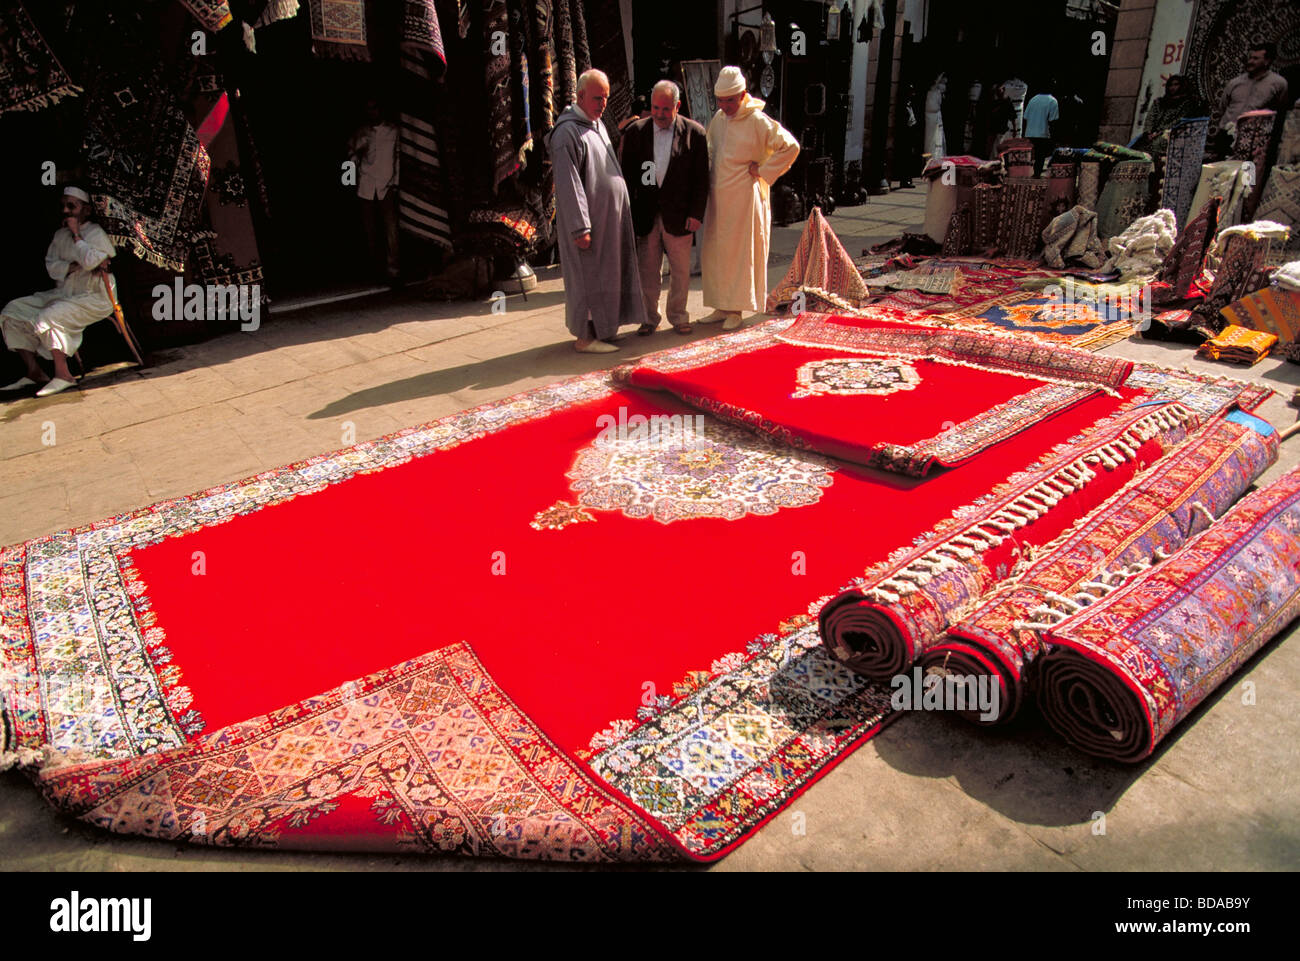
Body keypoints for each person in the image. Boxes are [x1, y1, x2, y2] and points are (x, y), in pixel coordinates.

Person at [546, 68, 646, 352]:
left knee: (607, 276)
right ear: (579, 97)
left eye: (605, 98)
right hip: (589, 225)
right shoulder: (567, 133)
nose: (602, 104)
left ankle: (603, 329)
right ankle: (586, 338)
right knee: (589, 277)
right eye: (597, 98)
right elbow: (568, 184)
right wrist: (580, 227)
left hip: (607, 221)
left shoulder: (595, 123)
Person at [699, 66, 799, 330]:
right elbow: (710, 150)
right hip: (719, 199)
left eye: (729, 100)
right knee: (717, 254)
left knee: (741, 256)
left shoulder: (758, 120)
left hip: (744, 200)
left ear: (742, 95)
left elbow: (790, 147)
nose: (724, 105)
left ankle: (737, 309)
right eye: (720, 100)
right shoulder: (718, 119)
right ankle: (722, 305)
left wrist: (763, 170)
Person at [1, 187, 116, 398]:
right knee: (12, 310)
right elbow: (52, 267)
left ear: (86, 210)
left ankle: (64, 375)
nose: (65, 210)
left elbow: (93, 261)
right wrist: (73, 266)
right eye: (63, 205)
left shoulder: (95, 233)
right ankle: (35, 372)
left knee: (50, 315)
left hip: (94, 298)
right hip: (64, 294)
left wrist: (76, 236)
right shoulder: (59, 235)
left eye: (71, 206)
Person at [619, 80, 709, 336]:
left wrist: (696, 213)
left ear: (677, 106)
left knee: (681, 271)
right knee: (648, 270)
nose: (659, 114)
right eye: (655, 108)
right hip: (646, 214)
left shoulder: (695, 134)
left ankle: (679, 316)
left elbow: (702, 180)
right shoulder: (636, 132)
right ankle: (649, 317)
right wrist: (630, 213)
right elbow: (627, 177)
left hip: (680, 215)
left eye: (666, 109)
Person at [348, 97, 400, 283]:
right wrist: (356, 153)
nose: (372, 112)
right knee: (370, 230)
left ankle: (393, 269)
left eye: (375, 108)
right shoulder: (361, 132)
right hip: (366, 185)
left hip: (386, 185)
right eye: (368, 109)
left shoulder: (393, 131)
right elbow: (349, 157)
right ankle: (375, 270)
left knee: (391, 229)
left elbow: (398, 157)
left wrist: (396, 182)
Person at [1212, 41, 1290, 150]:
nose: (1250, 61)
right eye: (1250, 58)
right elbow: (1222, 107)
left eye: (1255, 59)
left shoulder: (1278, 84)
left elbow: (1281, 110)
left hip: (1254, 139)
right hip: (1226, 135)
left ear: (1267, 61)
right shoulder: (1235, 82)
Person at [1139, 75, 1208, 158]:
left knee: (1157, 145)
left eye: (1176, 85)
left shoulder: (1187, 103)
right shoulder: (1159, 102)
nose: (1172, 88)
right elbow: (1150, 118)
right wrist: (1148, 132)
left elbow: (1179, 120)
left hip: (1172, 134)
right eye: (1170, 85)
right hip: (1153, 134)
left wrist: (1160, 132)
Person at [1023, 85, 1060, 174]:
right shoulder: (1052, 101)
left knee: (1033, 155)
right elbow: (1053, 120)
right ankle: (1037, 173)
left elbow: (1025, 117)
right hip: (1042, 132)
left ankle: (1031, 171)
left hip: (1030, 132)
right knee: (1041, 155)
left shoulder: (1033, 99)